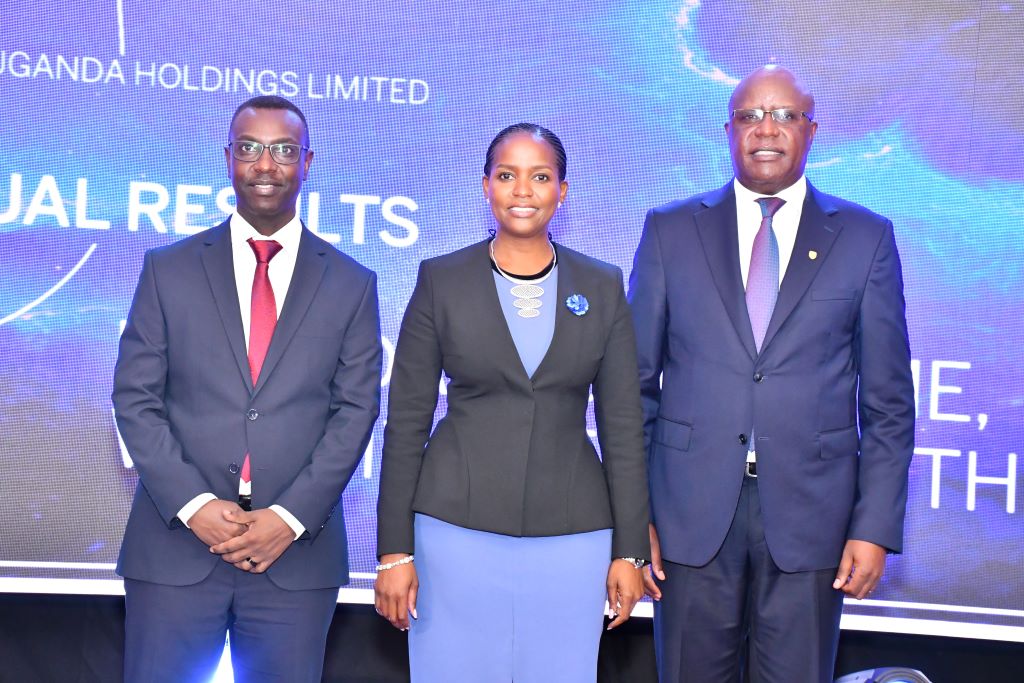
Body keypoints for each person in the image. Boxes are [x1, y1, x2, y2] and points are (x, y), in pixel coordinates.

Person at [628, 66, 915, 682]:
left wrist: (874, 527)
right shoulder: (670, 231)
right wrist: (635, 517)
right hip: (688, 515)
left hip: (814, 520)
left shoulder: (865, 238)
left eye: (785, 115)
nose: (767, 129)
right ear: (728, 131)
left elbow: (889, 403)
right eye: (750, 116)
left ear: (812, 130)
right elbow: (633, 389)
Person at [112, 95, 381, 682]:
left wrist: (287, 517)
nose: (267, 164)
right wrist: (195, 506)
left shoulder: (353, 284)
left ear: (307, 162)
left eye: (284, 150)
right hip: (176, 549)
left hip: (295, 557)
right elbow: (135, 398)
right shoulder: (168, 268)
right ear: (228, 158)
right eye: (251, 148)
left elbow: (356, 411)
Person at [374, 123, 650, 681]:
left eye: (540, 176)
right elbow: (405, 423)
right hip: (452, 535)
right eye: (507, 175)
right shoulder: (441, 280)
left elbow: (623, 427)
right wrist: (394, 552)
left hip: (572, 539)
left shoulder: (601, 286)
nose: (523, 190)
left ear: (563, 191)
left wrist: (630, 551)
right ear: (486, 187)